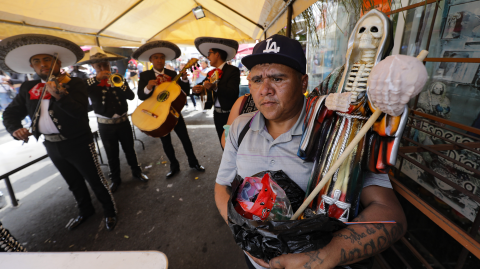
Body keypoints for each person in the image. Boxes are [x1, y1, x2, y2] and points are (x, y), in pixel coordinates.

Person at [214, 35, 407, 269]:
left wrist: (323, 256)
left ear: (303, 83)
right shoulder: (240, 126)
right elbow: (222, 186)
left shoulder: (342, 131)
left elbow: (390, 214)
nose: (265, 90)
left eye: (277, 78)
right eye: (256, 79)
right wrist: (243, 236)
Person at [1, 34, 117, 231]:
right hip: (51, 144)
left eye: (47, 59)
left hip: (79, 142)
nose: (42, 64)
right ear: (32, 67)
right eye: (37, 61)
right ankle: (85, 211)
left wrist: (60, 96)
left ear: (58, 62)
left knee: (95, 179)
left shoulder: (75, 83)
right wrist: (15, 129)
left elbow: (80, 112)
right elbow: (11, 113)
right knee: (73, 182)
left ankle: (110, 211)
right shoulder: (29, 87)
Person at [77, 47, 148, 193]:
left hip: (123, 122)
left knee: (130, 149)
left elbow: (130, 96)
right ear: (93, 67)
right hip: (105, 126)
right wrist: (97, 79)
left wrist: (120, 84)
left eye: (106, 65)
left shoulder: (119, 78)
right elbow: (80, 89)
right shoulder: (88, 82)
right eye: (99, 66)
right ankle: (115, 179)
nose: (103, 68)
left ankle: (136, 171)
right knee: (111, 154)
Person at [133, 40, 205, 178]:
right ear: (151, 60)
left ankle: (193, 162)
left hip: (174, 113)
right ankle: (174, 166)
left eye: (161, 57)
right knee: (166, 143)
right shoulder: (145, 76)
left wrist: (184, 80)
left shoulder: (172, 74)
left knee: (185, 139)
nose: (159, 60)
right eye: (156, 57)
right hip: (157, 114)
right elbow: (141, 96)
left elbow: (184, 92)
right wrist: (148, 87)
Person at [192, 37, 240, 142]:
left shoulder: (233, 70)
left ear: (217, 54)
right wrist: (197, 89)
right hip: (217, 114)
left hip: (230, 114)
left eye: (209, 53)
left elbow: (233, 93)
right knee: (222, 142)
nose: (207, 57)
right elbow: (201, 86)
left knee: (233, 144)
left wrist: (216, 87)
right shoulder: (211, 72)